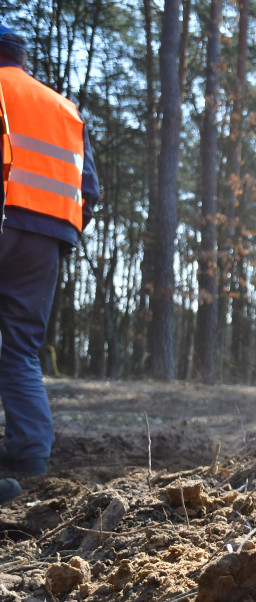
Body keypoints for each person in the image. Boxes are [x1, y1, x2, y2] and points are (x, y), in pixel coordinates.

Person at [0, 26, 100, 503]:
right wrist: (57, 235)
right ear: (22, 58)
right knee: (21, 349)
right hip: (45, 237)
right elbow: (90, 191)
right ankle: (31, 455)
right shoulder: (63, 108)